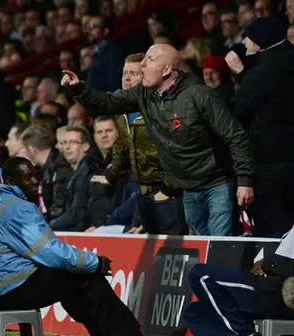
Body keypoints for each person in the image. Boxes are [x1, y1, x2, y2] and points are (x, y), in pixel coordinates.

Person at [0, 157, 161, 336]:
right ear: (10, 181)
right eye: (28, 177)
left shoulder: (1, 203)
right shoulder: (17, 207)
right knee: (83, 275)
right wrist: (95, 262)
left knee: (70, 277)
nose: (36, 180)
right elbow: (50, 252)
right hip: (6, 289)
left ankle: (108, 335)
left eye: (35, 175)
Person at [63, 43, 254, 236]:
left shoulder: (200, 95)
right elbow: (106, 102)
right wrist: (79, 88)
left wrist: (245, 180)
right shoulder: (143, 94)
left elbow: (236, 136)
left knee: (218, 242)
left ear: (167, 70)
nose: (143, 64)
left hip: (217, 184)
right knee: (203, 244)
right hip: (188, 188)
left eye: (150, 59)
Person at [91, 52, 188, 235]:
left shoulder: (160, 108)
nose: (126, 78)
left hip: (169, 192)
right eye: (124, 73)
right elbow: (122, 150)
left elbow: (172, 153)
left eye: (133, 73)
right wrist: (111, 175)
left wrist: (166, 190)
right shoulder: (122, 111)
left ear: (146, 76)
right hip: (144, 193)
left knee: (172, 246)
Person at [225, 17, 294, 238]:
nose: (245, 46)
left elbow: (237, 110)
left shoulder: (265, 71)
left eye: (248, 42)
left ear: (260, 43)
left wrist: (240, 73)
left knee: (274, 231)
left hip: (269, 165)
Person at [184, 224, 294, 336]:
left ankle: (244, 335)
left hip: (275, 293)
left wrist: (269, 262)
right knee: (194, 311)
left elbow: (284, 265)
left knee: (200, 275)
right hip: (265, 284)